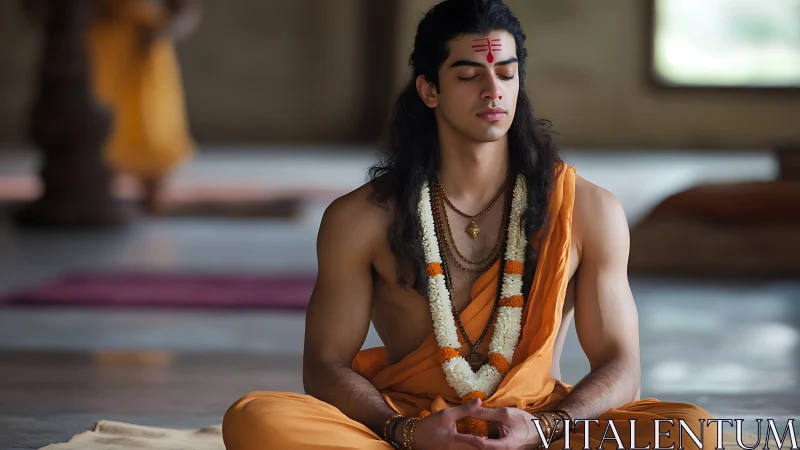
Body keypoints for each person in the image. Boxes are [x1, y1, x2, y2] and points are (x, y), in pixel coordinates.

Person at [223, 1, 717, 449]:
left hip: (538, 426)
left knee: (693, 430)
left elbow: (620, 365)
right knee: (257, 419)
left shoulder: (588, 209)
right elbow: (325, 364)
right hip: (409, 430)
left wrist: (545, 427)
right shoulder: (362, 218)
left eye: (506, 73)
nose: (492, 91)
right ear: (429, 89)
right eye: (468, 76)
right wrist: (406, 431)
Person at [88, 0, 200, 212]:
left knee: (150, 122)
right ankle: (101, 195)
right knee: (105, 123)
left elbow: (184, 10)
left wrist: (162, 30)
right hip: (104, 46)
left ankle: (152, 197)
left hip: (145, 49)